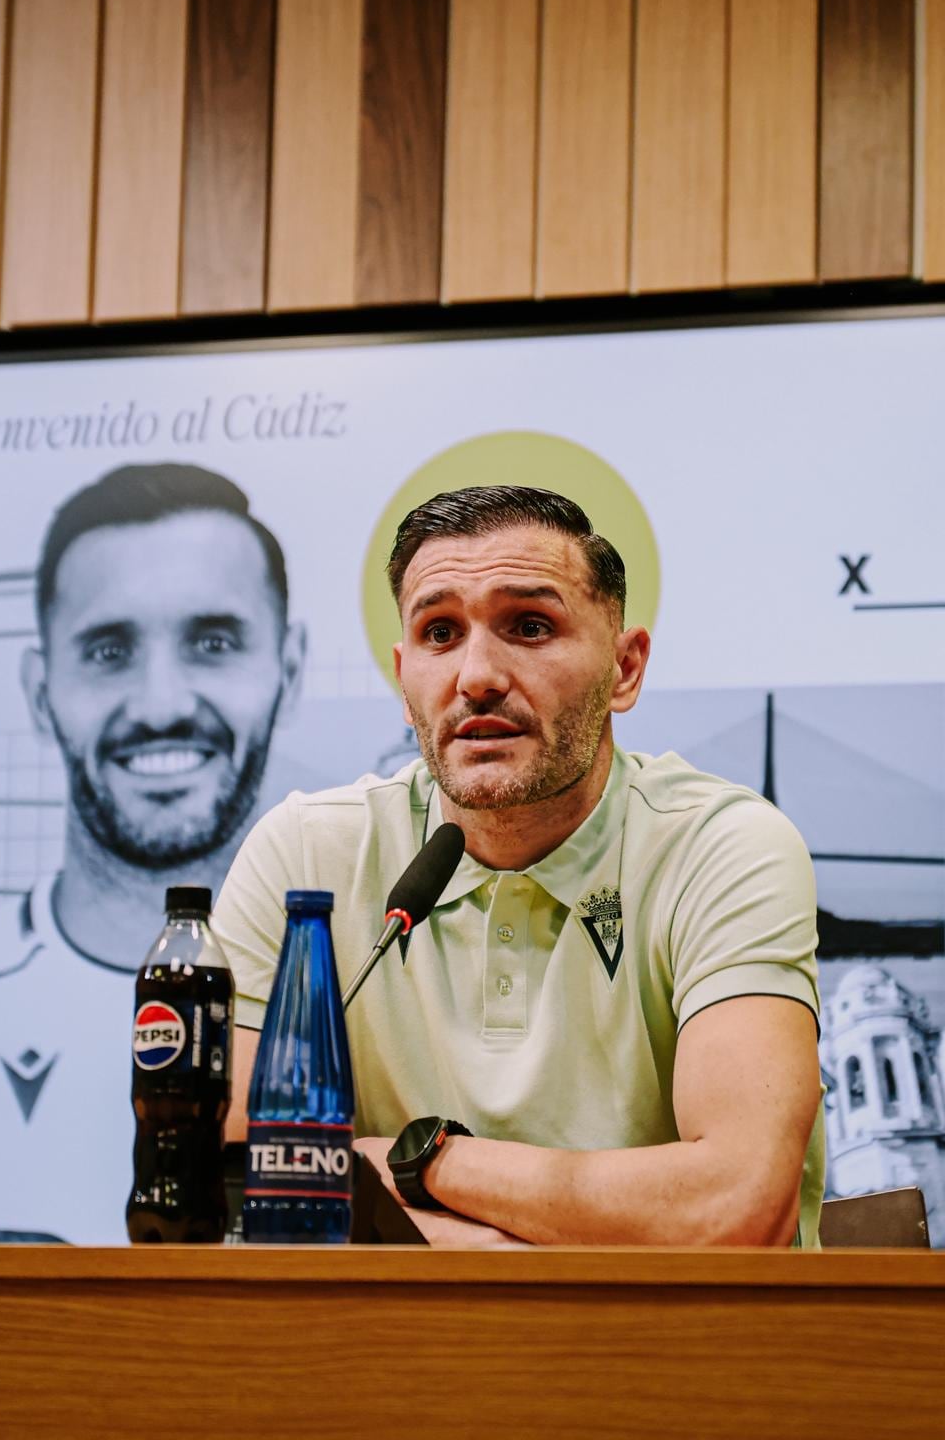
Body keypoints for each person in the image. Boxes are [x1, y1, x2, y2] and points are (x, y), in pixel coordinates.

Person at [214, 484, 824, 1247]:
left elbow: (735, 1209)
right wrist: (512, 1248)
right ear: (405, 683)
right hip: (386, 1354)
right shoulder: (306, 854)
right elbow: (236, 1188)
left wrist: (420, 1163)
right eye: (440, 633)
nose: (476, 677)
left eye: (530, 626)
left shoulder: (722, 847)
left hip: (680, 1357)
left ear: (625, 669)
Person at [0, 463, 303, 1243]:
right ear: (38, 688)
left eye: (213, 641)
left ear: (287, 672)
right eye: (108, 650)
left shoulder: (349, 1002)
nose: (161, 704)